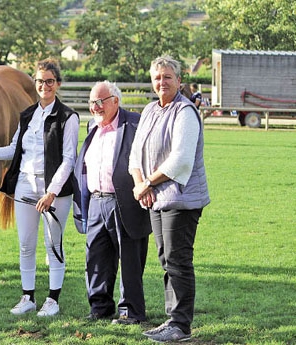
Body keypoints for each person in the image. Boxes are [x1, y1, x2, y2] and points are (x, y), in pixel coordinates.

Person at [0, 58, 79, 317]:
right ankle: (27, 297)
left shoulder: (68, 117)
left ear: (57, 84)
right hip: (26, 186)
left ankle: (53, 299)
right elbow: (14, 149)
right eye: (40, 81)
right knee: (26, 245)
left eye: (50, 81)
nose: (44, 86)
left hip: (54, 190)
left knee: (54, 245)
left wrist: (52, 191)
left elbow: (69, 158)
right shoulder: (26, 115)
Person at [129, 55, 210, 342]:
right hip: (156, 197)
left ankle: (181, 325)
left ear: (178, 80)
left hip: (182, 199)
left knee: (178, 259)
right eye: (157, 77)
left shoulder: (185, 112)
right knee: (166, 258)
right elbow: (135, 152)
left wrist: (147, 183)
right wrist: (140, 184)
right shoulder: (151, 110)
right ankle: (171, 319)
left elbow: (181, 161)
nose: (161, 82)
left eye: (167, 77)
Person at [72, 81, 151, 325]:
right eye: (91, 102)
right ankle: (100, 307)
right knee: (96, 258)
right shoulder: (92, 127)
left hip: (125, 202)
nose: (95, 107)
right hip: (96, 202)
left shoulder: (135, 124)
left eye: (100, 101)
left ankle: (130, 311)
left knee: (130, 259)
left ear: (115, 101)